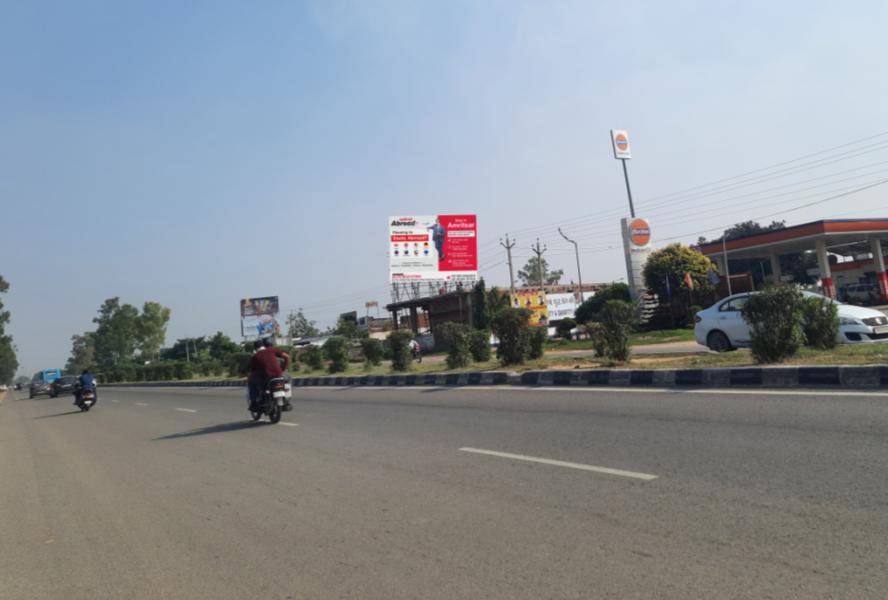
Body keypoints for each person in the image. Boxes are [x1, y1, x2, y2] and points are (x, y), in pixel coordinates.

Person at [248, 338, 291, 411]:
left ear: (255, 348)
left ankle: (254, 403)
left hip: (266, 378)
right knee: (288, 380)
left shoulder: (255, 356)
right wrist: (285, 368)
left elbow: (253, 371)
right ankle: (287, 399)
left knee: (251, 382)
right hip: (279, 375)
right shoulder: (272, 350)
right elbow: (287, 357)